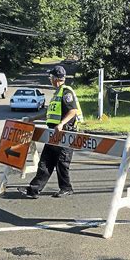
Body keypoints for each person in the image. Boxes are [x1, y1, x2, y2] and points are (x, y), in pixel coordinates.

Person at [18, 66, 83, 199]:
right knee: (45, 161)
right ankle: (33, 190)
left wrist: (61, 124)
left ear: (55, 78)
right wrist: (32, 118)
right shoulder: (57, 93)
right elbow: (48, 113)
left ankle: (66, 188)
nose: (50, 80)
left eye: (51, 77)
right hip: (54, 133)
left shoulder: (66, 92)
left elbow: (73, 111)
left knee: (62, 162)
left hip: (66, 132)